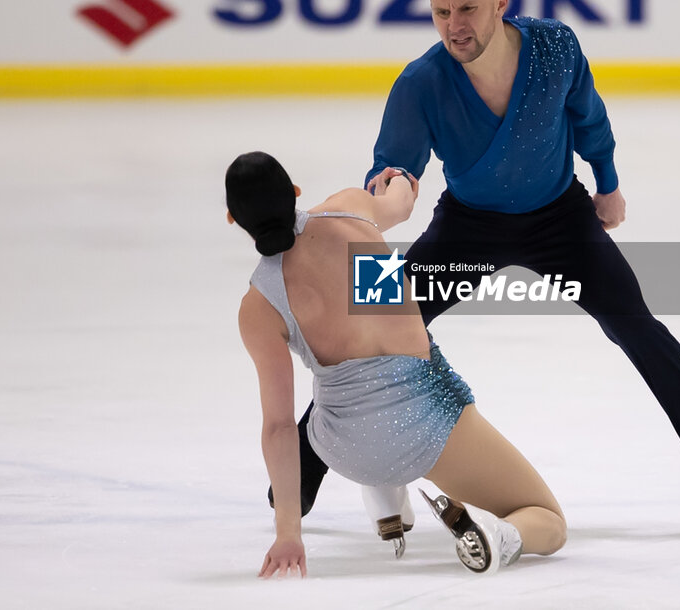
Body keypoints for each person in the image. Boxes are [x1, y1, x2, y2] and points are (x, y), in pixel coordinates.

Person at [288, 0, 680, 532]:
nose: (454, 26)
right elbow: (394, 171)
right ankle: (303, 462)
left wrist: (607, 185)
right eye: (440, 13)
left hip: (561, 220)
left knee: (639, 328)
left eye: (467, 9)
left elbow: (589, 115)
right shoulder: (421, 83)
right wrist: (376, 212)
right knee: (368, 321)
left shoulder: (555, 47)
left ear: (500, 2)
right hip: (468, 225)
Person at [227, 151, 566, 577]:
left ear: (232, 219)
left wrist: (288, 532)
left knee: (359, 358)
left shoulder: (258, 305)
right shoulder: (349, 210)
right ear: (294, 192)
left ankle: (385, 490)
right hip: (425, 429)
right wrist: (399, 176)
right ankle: (498, 534)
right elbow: (401, 203)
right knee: (548, 521)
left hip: (344, 445)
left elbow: (279, 427)